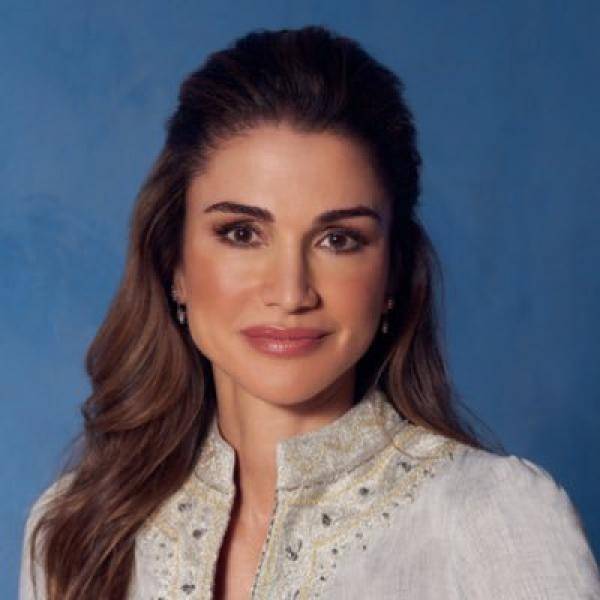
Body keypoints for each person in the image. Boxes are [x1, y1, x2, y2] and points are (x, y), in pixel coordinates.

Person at [19, 25, 600, 600]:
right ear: (175, 264)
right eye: (242, 233)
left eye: (338, 240)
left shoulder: (492, 519)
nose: (291, 292)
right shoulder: (76, 530)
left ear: (392, 273)